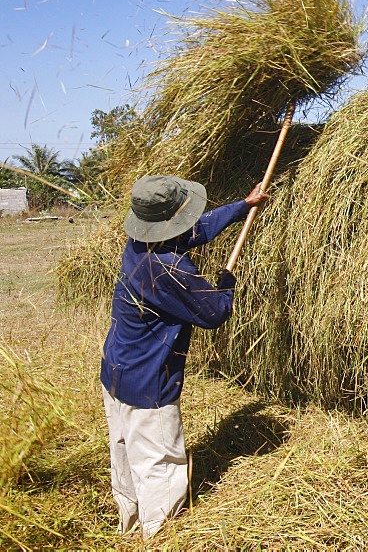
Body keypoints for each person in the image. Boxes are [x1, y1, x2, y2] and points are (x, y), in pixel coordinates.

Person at [100, 174, 268, 539]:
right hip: (148, 384)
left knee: (127, 456)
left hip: (117, 371)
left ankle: (129, 526)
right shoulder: (168, 270)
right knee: (160, 466)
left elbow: (197, 230)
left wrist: (243, 207)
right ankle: (160, 537)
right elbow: (213, 313)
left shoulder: (140, 246)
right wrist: (226, 282)